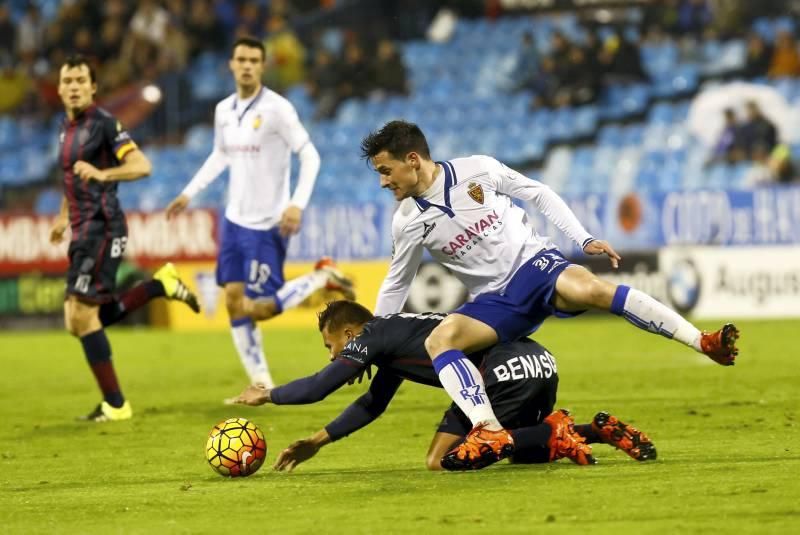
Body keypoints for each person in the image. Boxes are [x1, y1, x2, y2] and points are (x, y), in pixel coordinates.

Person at [360, 120, 738, 470]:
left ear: (412, 160)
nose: (382, 182)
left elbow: (539, 194)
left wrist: (583, 238)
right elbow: (397, 282)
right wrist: (371, 343)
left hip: (535, 268)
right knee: (441, 340)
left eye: (385, 170)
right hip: (495, 303)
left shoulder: (477, 170)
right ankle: (487, 427)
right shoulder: (407, 221)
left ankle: (702, 342)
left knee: (592, 289)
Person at [231, 300, 656, 471]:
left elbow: (320, 386)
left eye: (332, 345)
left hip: (501, 375)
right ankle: (590, 431)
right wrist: (318, 442)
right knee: (519, 456)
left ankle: (555, 432)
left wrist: (267, 394)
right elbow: (372, 404)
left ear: (350, 332)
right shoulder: (399, 334)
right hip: (538, 363)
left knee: (448, 459)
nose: (332, 356)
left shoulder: (375, 335)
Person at [166, 37, 354, 394]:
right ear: (232, 65)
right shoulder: (224, 110)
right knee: (234, 303)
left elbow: (310, 155)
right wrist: (189, 192)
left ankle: (319, 277)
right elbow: (220, 155)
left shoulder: (278, 109)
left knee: (264, 309)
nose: (247, 65)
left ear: (263, 66)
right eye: (242, 59)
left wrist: (296, 203)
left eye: (254, 59)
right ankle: (260, 382)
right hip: (234, 220)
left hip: (268, 225)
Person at [49, 55, 201, 422]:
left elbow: (141, 165)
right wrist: (62, 216)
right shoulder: (65, 128)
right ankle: (159, 286)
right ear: (59, 88)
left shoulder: (103, 124)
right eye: (67, 80)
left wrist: (104, 175)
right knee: (80, 319)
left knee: (82, 318)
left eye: (80, 81)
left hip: (103, 227)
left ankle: (116, 404)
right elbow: (72, 177)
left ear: (93, 87)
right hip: (82, 227)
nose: (73, 86)